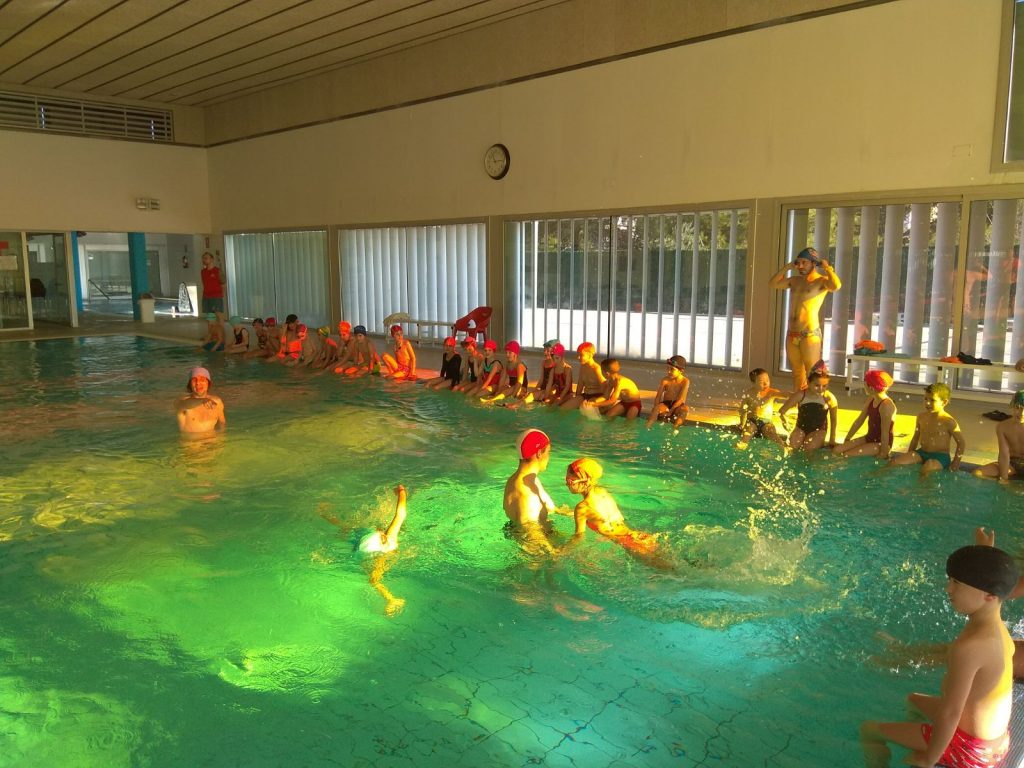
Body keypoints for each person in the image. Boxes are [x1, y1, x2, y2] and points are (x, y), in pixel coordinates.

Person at [860, 544, 1018, 768]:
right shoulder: (995, 628)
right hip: (996, 743)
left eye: (957, 583)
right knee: (913, 700)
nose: (948, 589)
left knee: (868, 730)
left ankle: (920, 752)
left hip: (970, 752)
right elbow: (991, 583)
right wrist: (986, 551)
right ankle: (915, 739)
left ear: (989, 595)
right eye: (950, 580)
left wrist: (929, 759)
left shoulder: (970, 646)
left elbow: (950, 713)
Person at [564, 458, 669, 569]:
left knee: (669, 572)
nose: (566, 484)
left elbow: (578, 538)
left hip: (628, 543)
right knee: (672, 565)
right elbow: (604, 516)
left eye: (569, 481)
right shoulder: (602, 492)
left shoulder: (582, 508)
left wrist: (560, 552)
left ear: (586, 482)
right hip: (638, 536)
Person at [768, 247, 841, 392]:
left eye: (804, 262)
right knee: (797, 373)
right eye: (798, 262)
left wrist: (828, 269)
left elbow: (836, 286)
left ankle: (814, 402)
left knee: (812, 373)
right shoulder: (795, 280)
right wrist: (788, 267)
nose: (800, 266)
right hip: (792, 333)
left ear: (814, 263)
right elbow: (773, 284)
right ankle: (799, 402)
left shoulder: (821, 281)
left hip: (809, 334)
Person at [503, 429, 564, 552]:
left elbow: (551, 508)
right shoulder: (527, 493)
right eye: (548, 452)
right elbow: (531, 533)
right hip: (537, 555)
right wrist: (555, 554)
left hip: (539, 542)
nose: (549, 457)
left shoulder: (524, 479)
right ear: (539, 453)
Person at [890, 383, 966, 476]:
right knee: (895, 462)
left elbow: (961, 443)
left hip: (940, 456)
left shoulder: (948, 421)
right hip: (922, 452)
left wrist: (955, 463)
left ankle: (921, 486)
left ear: (944, 402)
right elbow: (915, 438)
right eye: (926, 399)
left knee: (928, 469)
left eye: (932, 400)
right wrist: (910, 453)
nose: (927, 403)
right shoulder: (921, 417)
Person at [834, 369, 896, 459]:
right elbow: (859, 420)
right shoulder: (871, 399)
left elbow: (885, 433)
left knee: (847, 455)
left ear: (871, 388)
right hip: (869, 438)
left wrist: (883, 453)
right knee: (837, 450)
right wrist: (847, 439)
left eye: (865, 383)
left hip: (881, 443)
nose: (864, 386)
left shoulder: (886, 405)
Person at [778, 369, 838, 453]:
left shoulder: (829, 398)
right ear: (808, 383)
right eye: (817, 385)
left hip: (819, 430)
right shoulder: (801, 395)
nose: (821, 389)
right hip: (800, 428)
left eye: (824, 386)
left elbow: (834, 419)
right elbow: (782, 411)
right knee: (792, 448)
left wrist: (832, 438)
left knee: (809, 449)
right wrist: (786, 422)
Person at [973, 390, 1024, 483]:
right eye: (1018, 408)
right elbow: (1004, 454)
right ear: (1012, 406)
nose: (1022, 413)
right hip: (1012, 464)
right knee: (978, 473)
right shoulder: (1002, 427)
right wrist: (1004, 479)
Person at [737, 368, 787, 450]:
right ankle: (742, 445)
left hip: (766, 422)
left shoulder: (771, 392)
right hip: (752, 420)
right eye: (761, 381)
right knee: (748, 431)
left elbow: (784, 394)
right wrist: (742, 424)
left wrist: (795, 396)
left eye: (767, 380)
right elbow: (742, 410)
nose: (765, 383)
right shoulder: (748, 394)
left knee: (771, 433)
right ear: (753, 383)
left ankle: (784, 447)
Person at [175, 366, 226, 434]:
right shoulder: (180, 402)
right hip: (191, 440)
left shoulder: (217, 402)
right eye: (194, 380)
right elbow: (186, 404)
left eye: (202, 379)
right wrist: (202, 400)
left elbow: (222, 425)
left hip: (213, 439)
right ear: (190, 384)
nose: (198, 383)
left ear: (208, 383)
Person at [646, 355, 690, 429]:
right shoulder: (665, 380)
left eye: (672, 369)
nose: (668, 371)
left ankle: (675, 429)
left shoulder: (685, 381)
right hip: (666, 404)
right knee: (656, 409)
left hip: (678, 406)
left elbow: (681, 399)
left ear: (681, 371)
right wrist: (655, 408)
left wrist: (671, 411)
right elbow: (658, 397)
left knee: (685, 409)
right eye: (668, 368)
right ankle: (647, 428)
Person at [560, 342, 605, 410]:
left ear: (590, 355)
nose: (578, 357)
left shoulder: (596, 369)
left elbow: (604, 387)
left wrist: (600, 402)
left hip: (596, 396)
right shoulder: (583, 367)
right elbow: (580, 385)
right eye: (578, 355)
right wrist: (577, 399)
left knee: (586, 409)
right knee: (563, 408)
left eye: (581, 355)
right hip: (585, 395)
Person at [199, 251, 226, 316]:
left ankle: (221, 323)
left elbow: (223, 283)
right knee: (210, 316)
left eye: (206, 258)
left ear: (211, 259)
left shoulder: (217, 271)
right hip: (206, 296)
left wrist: (221, 294)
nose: (204, 260)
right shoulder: (203, 272)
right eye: (203, 258)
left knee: (219, 315)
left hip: (216, 296)